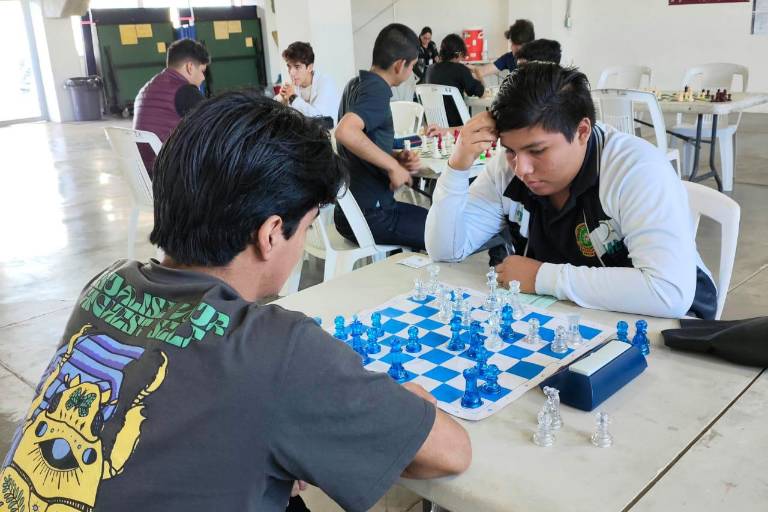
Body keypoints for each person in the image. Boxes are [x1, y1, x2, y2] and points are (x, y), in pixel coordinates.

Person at [0, 93, 471, 512]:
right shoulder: (275, 348)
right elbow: (450, 451)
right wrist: (406, 401)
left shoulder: (105, 285)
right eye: (305, 229)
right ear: (271, 234)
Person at [425, 63, 717, 319]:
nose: (522, 168)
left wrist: (542, 276)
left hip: (664, 324)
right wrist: (458, 165)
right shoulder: (508, 166)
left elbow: (668, 293)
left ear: (581, 132)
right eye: (511, 150)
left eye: (537, 150)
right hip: (572, 313)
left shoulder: (636, 169)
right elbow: (446, 250)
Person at [334, 24, 428, 251]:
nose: (410, 75)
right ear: (399, 65)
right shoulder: (377, 90)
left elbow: (360, 144)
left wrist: (395, 157)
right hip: (373, 217)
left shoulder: (356, 85)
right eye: (412, 67)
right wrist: (392, 167)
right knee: (446, 230)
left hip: (351, 213)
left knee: (437, 220)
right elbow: (345, 132)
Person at [133, 38, 209, 174]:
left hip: (145, 174)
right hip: (171, 176)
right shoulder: (185, 92)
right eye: (203, 71)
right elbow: (215, 129)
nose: (203, 77)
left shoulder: (146, 89)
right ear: (190, 67)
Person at [425, 34, 485, 128]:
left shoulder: (429, 70)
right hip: (457, 125)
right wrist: (477, 71)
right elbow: (481, 92)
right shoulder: (460, 69)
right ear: (459, 53)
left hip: (435, 125)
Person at [276, 41, 340, 128]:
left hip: (328, 135)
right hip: (304, 136)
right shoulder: (294, 85)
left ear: (309, 67)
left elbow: (320, 119)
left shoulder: (325, 82)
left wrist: (292, 97)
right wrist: (282, 102)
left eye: (297, 67)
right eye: (289, 67)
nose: (291, 72)